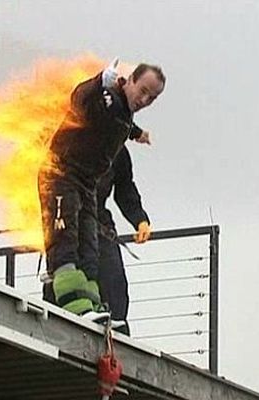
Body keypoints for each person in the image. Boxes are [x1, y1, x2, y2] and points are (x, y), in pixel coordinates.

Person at [38, 61, 165, 319]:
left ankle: (92, 308)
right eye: (142, 91)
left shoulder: (124, 118)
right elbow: (81, 100)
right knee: (65, 242)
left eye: (151, 98)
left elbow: (122, 127)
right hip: (61, 173)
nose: (144, 100)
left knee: (90, 252)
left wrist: (139, 134)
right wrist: (99, 81)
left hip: (87, 184)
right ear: (129, 80)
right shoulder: (106, 98)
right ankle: (73, 305)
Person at [96, 145, 151, 335]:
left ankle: (117, 334)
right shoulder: (69, 136)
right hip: (67, 224)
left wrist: (140, 220)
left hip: (99, 225)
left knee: (114, 282)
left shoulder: (117, 147)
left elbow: (125, 187)